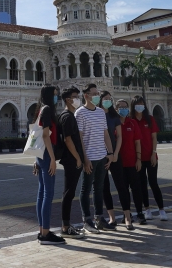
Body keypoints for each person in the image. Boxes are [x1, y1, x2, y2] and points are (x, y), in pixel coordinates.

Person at [75, 84, 114, 232]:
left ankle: (99, 218)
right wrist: (85, 158)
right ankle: (87, 220)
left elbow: (106, 134)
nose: (97, 96)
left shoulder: (100, 112)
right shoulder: (80, 113)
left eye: (98, 93)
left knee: (98, 188)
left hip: (102, 156)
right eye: (94, 94)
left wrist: (109, 154)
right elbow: (79, 138)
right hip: (89, 158)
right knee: (86, 189)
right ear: (86, 96)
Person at [31, 86, 66, 245]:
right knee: (48, 194)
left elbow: (35, 135)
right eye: (55, 95)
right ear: (48, 96)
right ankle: (45, 233)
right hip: (46, 155)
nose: (56, 98)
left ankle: (42, 231)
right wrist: (52, 159)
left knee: (42, 193)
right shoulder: (46, 110)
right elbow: (45, 135)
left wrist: (36, 158)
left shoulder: (40, 110)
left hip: (42, 155)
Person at [101, 95, 136, 230]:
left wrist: (115, 154)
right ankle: (112, 218)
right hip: (101, 155)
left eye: (110, 99)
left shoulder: (113, 116)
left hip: (115, 155)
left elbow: (119, 136)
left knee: (121, 186)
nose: (107, 101)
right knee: (105, 188)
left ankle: (127, 217)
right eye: (105, 98)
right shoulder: (97, 115)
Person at [57, 87, 86, 239]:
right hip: (71, 160)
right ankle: (65, 227)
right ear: (68, 99)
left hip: (72, 159)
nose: (77, 99)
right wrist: (78, 158)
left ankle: (66, 225)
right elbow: (68, 140)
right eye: (75, 97)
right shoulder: (67, 117)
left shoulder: (68, 115)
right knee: (69, 193)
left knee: (70, 192)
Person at [132, 95, 166, 222]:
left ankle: (162, 210)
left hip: (151, 156)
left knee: (153, 183)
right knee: (142, 185)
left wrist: (153, 153)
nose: (140, 106)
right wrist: (138, 159)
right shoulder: (132, 120)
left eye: (141, 103)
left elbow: (154, 138)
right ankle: (147, 210)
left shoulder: (150, 119)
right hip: (138, 159)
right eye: (137, 104)